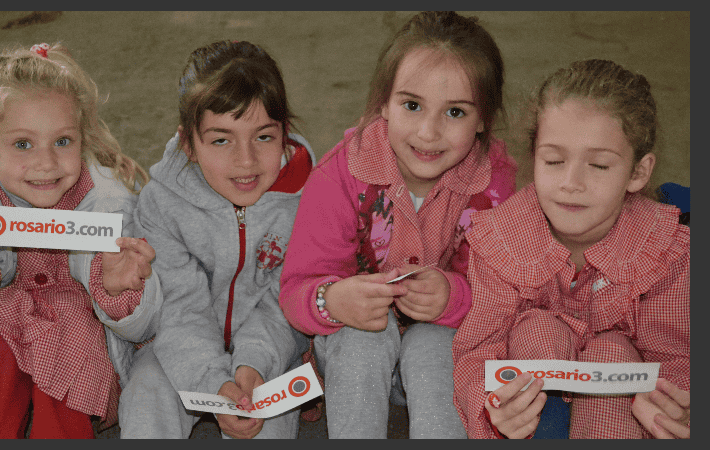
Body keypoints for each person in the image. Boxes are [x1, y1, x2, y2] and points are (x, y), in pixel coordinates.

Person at [279, 11, 517, 438]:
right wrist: (333, 299)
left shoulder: (495, 186)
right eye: (412, 105)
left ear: (484, 119)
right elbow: (296, 290)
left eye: (456, 112)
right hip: (351, 355)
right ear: (383, 104)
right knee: (364, 336)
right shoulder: (340, 175)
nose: (428, 133)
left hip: (445, 353)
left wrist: (454, 295)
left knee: (432, 343)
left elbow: (510, 293)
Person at [0, 42, 161, 439]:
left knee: (70, 321)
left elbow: (148, 327)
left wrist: (123, 290)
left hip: (83, 347)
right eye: (23, 144)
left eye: (63, 141)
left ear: (82, 140)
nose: (46, 163)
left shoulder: (111, 203)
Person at [453, 59, 690, 439]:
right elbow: (476, 352)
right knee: (539, 333)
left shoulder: (667, 251)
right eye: (554, 160)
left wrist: (675, 402)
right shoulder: (499, 239)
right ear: (533, 159)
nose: (570, 182)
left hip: (621, 414)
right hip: (534, 413)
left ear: (638, 173)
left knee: (612, 351)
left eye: (597, 165)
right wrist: (493, 406)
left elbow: (679, 358)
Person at [119, 40, 315, 439]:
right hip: (180, 347)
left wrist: (251, 368)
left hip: (271, 351)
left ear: (285, 134)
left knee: (266, 424)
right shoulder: (162, 203)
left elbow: (287, 300)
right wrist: (212, 381)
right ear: (189, 144)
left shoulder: (311, 197)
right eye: (221, 139)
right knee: (145, 395)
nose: (246, 161)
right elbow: (179, 308)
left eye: (263, 137)